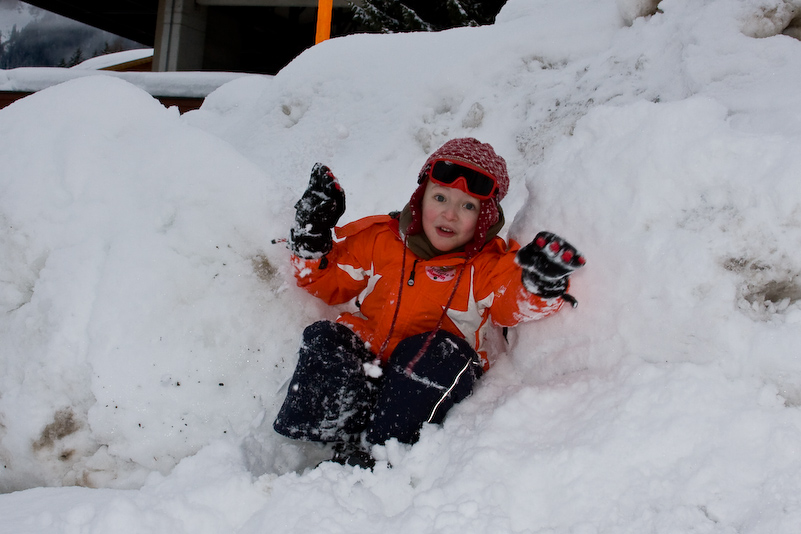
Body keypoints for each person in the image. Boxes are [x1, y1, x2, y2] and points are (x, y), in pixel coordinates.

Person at [273, 137, 585, 468]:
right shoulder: (382, 240)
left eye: (468, 206)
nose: (450, 214)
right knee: (327, 336)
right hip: (372, 359)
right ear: (419, 200)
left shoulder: (486, 266)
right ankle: (319, 444)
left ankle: (382, 453)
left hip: (426, 379)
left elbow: (511, 301)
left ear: (485, 217)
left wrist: (537, 284)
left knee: (438, 354)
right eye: (440, 198)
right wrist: (312, 237)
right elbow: (327, 282)